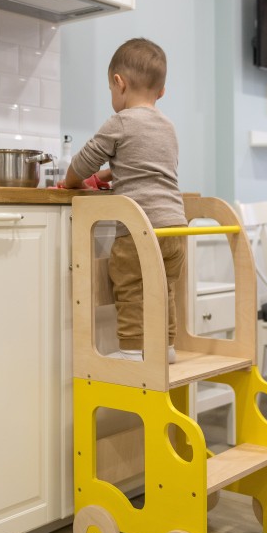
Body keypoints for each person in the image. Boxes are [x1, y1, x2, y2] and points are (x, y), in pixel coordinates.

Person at [62, 38, 187, 363]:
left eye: (110, 89)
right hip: (175, 228)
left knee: (131, 287)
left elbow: (83, 161)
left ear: (119, 83)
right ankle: (166, 346)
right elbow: (149, 171)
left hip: (139, 229)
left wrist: (72, 181)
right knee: (163, 289)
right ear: (161, 92)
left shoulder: (121, 121)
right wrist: (111, 175)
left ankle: (132, 349)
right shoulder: (168, 126)